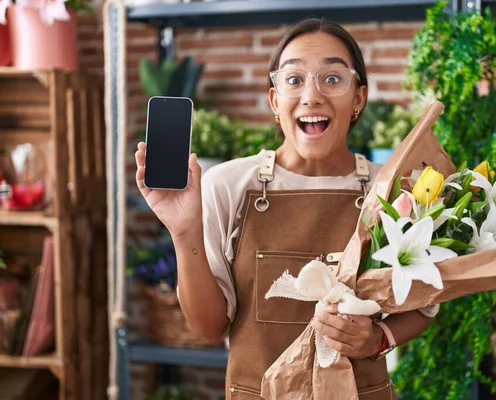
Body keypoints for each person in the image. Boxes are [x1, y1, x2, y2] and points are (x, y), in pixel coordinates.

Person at [135, 18, 439, 399]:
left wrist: (378, 338)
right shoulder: (228, 185)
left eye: (332, 78)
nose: (311, 96)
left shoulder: (392, 189)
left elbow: (426, 304)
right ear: (275, 100)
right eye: (294, 80)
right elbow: (208, 328)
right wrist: (183, 232)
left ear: (358, 97)